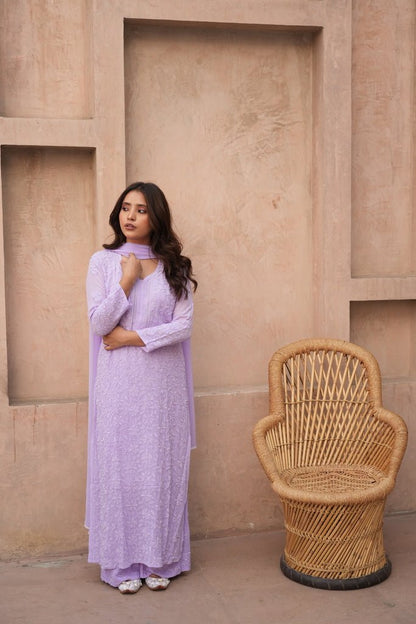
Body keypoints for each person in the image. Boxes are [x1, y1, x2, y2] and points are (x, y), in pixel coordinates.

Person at [85, 181, 197, 594]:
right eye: (125, 208)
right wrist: (126, 280)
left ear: (156, 218)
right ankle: (121, 564)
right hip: (118, 386)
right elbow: (99, 325)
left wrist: (132, 337)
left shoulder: (176, 266)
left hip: (163, 386)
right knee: (120, 468)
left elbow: (183, 326)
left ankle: (159, 559)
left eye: (141, 210)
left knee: (160, 468)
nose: (130, 216)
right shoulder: (103, 263)